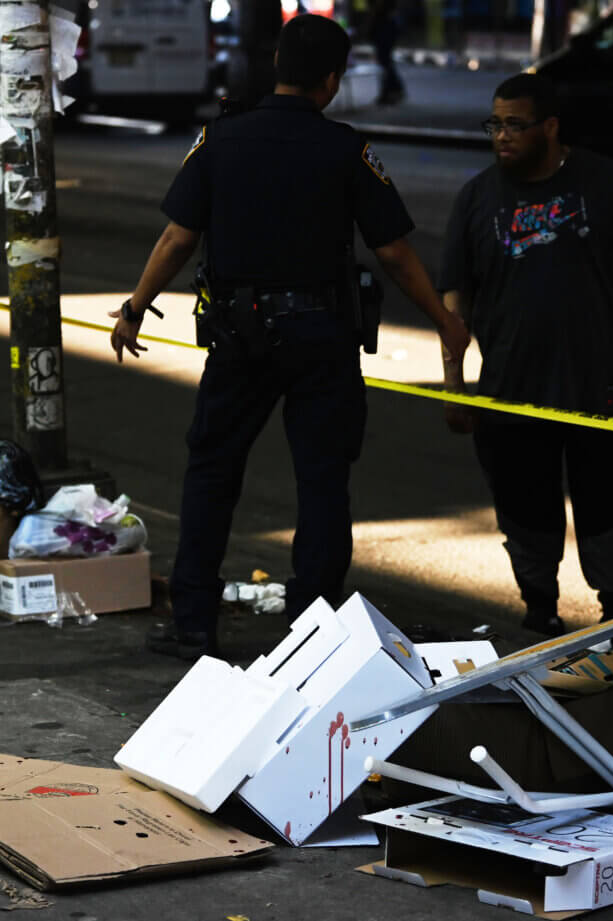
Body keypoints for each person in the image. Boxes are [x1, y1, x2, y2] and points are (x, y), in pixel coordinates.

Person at [111, 14, 469, 660]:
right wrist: (445, 321)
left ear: (276, 66)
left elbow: (177, 237)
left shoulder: (218, 140)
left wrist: (136, 305)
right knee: (323, 481)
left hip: (239, 336)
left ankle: (194, 620)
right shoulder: (346, 149)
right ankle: (315, 632)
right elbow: (393, 251)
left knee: (212, 472)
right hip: (321, 338)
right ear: (331, 81)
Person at [437, 73, 613, 638]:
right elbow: (455, 300)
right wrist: (453, 382)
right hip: (510, 390)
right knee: (524, 511)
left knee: (611, 508)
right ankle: (538, 609)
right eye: (495, 124)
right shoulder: (477, 198)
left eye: (515, 124)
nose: (502, 136)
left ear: (550, 127)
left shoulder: (605, 183)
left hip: (601, 389)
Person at [368, 0, 405, 105]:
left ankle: (390, 92)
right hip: (384, 39)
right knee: (386, 66)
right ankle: (392, 90)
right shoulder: (386, 14)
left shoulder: (383, 13)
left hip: (384, 39)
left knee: (385, 67)